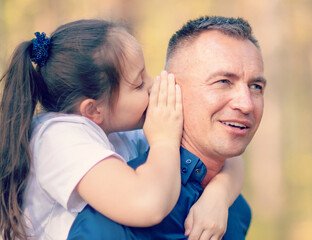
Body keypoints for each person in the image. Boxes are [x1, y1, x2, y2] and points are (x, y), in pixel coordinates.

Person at [0, 18, 247, 240]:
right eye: (139, 83)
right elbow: (149, 204)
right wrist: (164, 141)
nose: (153, 85)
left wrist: (218, 197)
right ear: (93, 110)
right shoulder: (57, 138)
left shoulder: (119, 129)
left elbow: (224, 155)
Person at [68, 15, 266, 240]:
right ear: (170, 88)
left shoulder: (237, 210)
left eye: (256, 86)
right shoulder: (118, 212)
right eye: (223, 81)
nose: (246, 103)